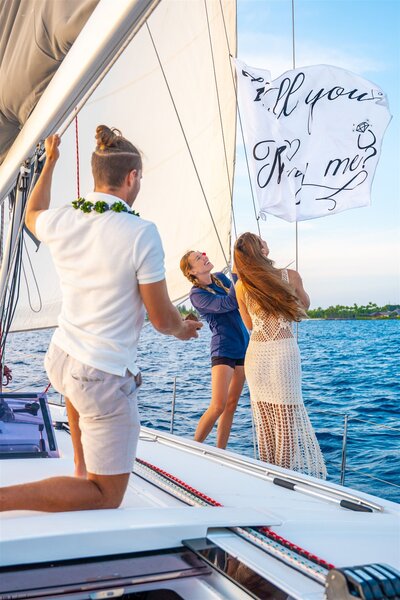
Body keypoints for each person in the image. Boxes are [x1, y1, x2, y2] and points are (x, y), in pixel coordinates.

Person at [0, 125, 202, 512]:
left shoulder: (64, 220)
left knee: (84, 466)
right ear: (132, 177)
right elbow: (161, 318)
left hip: (62, 359)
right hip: (100, 373)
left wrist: (51, 163)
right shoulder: (141, 233)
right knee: (107, 494)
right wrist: (182, 329)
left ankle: (77, 478)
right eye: (139, 178)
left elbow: (32, 214)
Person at [234, 232, 326, 479]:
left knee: (264, 420)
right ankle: (282, 479)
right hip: (283, 353)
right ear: (261, 249)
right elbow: (304, 306)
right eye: (262, 241)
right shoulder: (289, 276)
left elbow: (249, 325)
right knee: (285, 420)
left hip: (256, 355)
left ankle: (268, 477)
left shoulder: (241, 286)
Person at [180, 251, 249, 449]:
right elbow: (230, 303)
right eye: (197, 258)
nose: (204, 256)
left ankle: (221, 452)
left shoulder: (219, 278)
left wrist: (236, 274)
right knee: (218, 405)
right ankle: (192, 449)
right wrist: (237, 273)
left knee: (231, 404)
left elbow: (240, 296)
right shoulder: (196, 294)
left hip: (243, 344)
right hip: (224, 348)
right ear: (191, 271)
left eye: (203, 254)